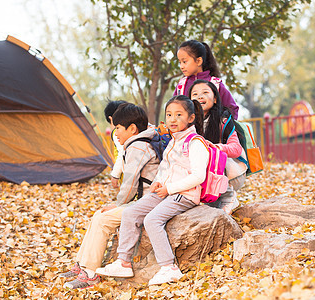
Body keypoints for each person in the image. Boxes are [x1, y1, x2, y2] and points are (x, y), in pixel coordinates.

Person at [96, 95, 209, 285]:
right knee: (131, 212)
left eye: (178, 114)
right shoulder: (172, 142)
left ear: (190, 118)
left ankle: (168, 267)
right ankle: (123, 262)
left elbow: (199, 176)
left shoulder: (195, 143)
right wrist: (158, 183)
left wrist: (170, 188)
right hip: (166, 191)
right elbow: (165, 168)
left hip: (185, 194)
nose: (173, 119)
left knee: (152, 219)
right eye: (169, 115)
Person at [60, 103, 160, 289]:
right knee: (99, 214)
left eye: (118, 129)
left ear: (132, 128)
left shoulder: (138, 148)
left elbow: (130, 183)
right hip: (142, 200)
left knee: (103, 219)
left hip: (148, 202)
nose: (116, 134)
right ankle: (81, 264)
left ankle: (90, 274)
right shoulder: (137, 144)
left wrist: (118, 204)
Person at [189, 79, 246, 214]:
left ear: (215, 99)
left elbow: (236, 149)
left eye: (205, 92)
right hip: (206, 174)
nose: (199, 97)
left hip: (233, 172)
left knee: (211, 155)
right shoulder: (188, 123)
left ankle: (229, 197)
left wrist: (215, 148)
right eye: (195, 94)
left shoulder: (223, 120)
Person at [173, 40, 239, 120]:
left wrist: (225, 127)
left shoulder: (215, 84)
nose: (181, 66)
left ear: (198, 61)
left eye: (184, 61)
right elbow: (174, 108)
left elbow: (232, 108)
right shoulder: (181, 85)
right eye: (180, 62)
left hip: (211, 131)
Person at [103, 100, 127, 188]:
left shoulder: (117, 133)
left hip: (126, 175)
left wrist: (115, 174)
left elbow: (122, 153)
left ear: (110, 118)